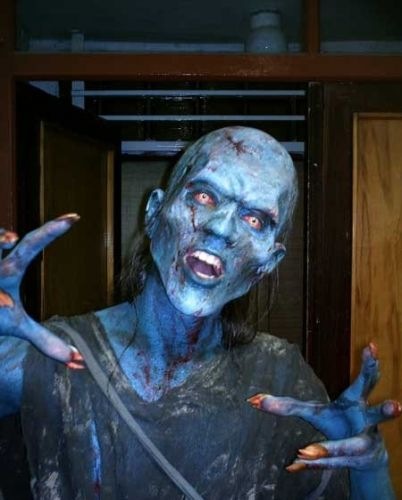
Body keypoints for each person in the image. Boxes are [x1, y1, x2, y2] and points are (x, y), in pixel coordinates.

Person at [0, 126, 399, 499]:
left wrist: (369, 466)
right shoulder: (54, 355)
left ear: (267, 264)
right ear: (154, 213)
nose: (222, 229)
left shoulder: (282, 380)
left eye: (254, 219)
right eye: (205, 196)